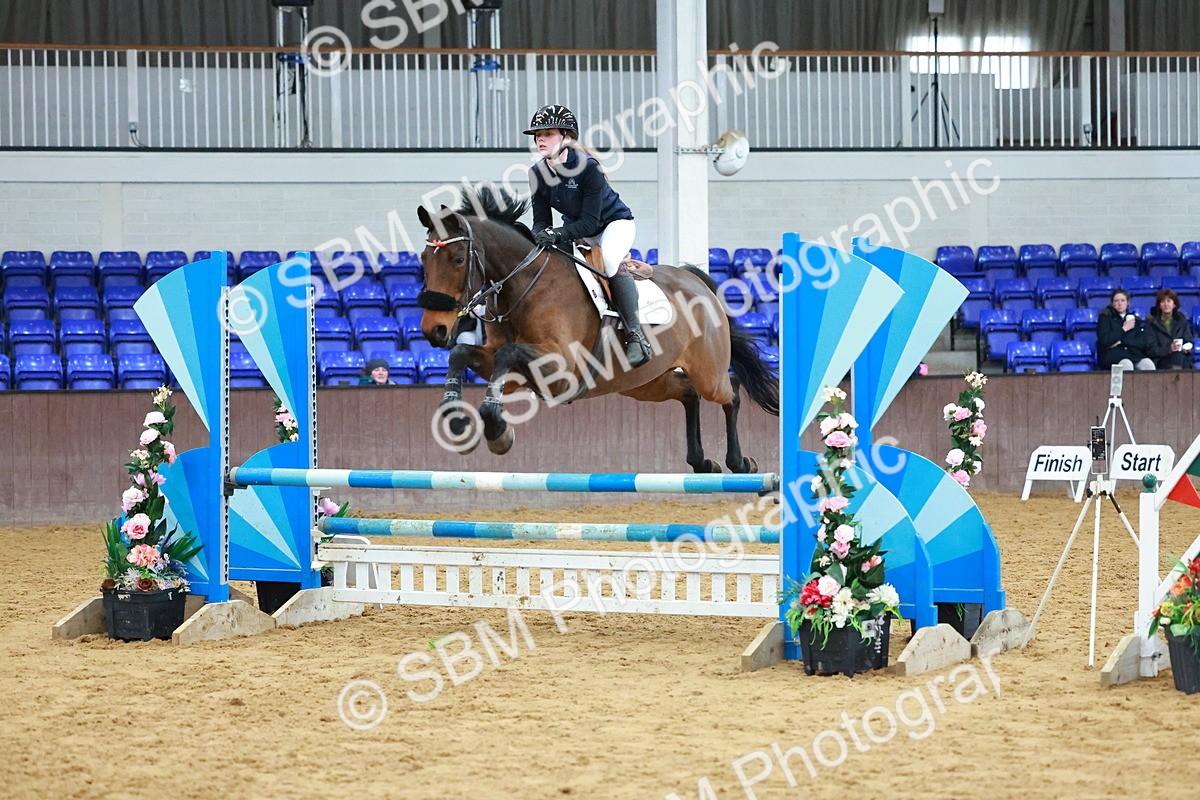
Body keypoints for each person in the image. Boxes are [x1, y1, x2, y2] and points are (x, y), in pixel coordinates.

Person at [524, 104, 650, 367]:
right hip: (576, 231)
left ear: (567, 137)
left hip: (613, 225)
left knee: (612, 260)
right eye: (537, 134)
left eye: (547, 133)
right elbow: (541, 221)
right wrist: (539, 237)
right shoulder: (537, 173)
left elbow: (590, 221)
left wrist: (556, 235)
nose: (540, 139)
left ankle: (636, 335)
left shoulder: (587, 167)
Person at [1097, 289, 1155, 371]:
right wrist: (1124, 329)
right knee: (1126, 364)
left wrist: (1119, 341)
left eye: (1123, 300)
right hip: (1112, 357)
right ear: (1112, 303)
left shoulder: (1135, 320)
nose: (1120, 303)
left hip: (1133, 355)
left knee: (1147, 364)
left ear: (1128, 303)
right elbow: (1105, 340)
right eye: (1116, 301)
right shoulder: (1105, 318)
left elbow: (1141, 342)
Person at [1144, 287, 1195, 369]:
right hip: (1161, 360)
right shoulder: (1152, 323)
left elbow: (1189, 340)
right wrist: (1169, 349)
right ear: (1159, 305)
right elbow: (1151, 349)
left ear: (1174, 304)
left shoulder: (1181, 321)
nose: (1166, 304)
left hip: (1180, 358)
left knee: (1181, 359)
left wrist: (1188, 348)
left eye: (1169, 301)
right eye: (1163, 301)